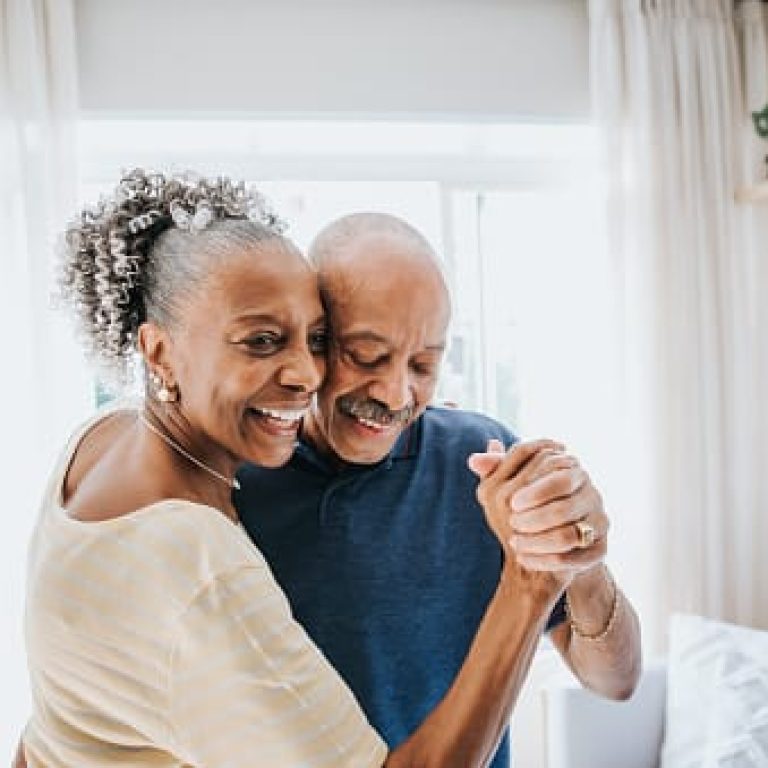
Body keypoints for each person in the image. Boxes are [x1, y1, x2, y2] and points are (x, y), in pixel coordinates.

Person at [18, 169, 578, 768]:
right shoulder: (202, 565)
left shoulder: (98, 441)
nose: (307, 376)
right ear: (159, 351)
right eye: (261, 341)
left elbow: (54, 731)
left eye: (315, 340)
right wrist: (529, 584)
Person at [236, 212, 643, 767]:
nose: (396, 394)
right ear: (312, 338)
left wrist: (582, 558)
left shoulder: (483, 461)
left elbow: (617, 682)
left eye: (424, 365)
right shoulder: (234, 487)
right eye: (367, 357)